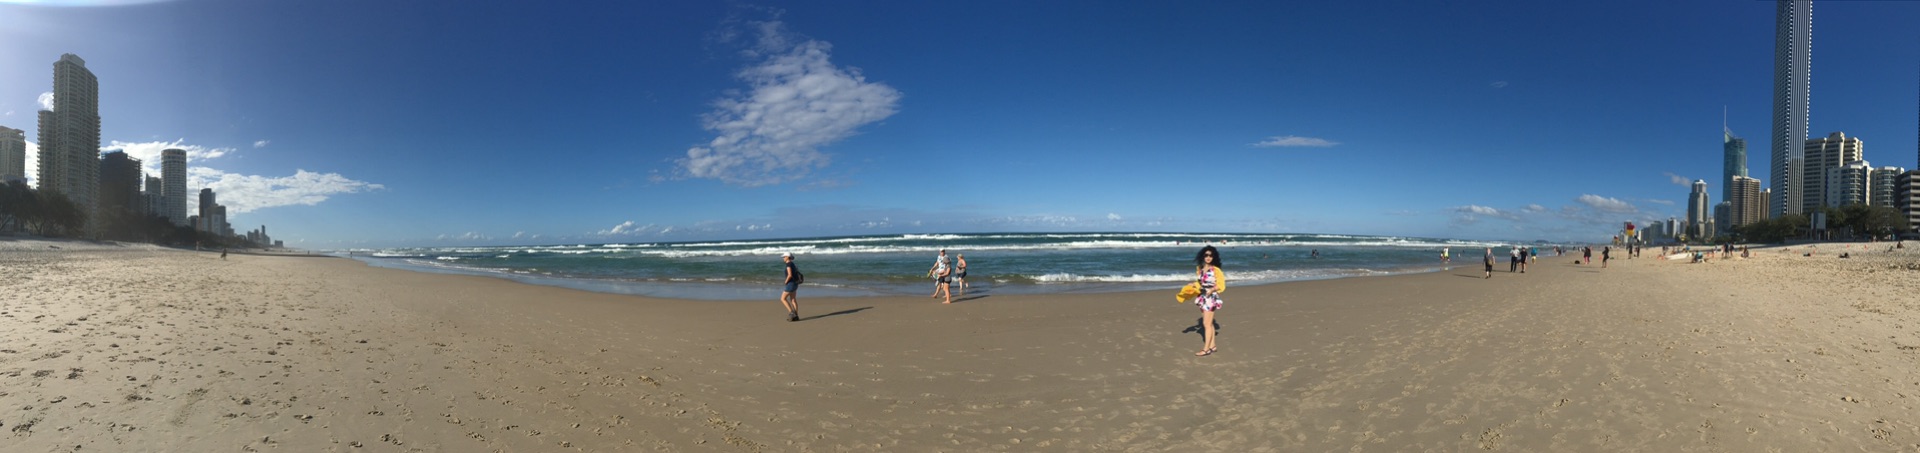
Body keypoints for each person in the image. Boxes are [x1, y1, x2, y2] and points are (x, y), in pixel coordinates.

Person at [1192, 246, 1225, 356]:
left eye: (1211, 255)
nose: (1208, 257)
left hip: (1211, 298)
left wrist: (1212, 290)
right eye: (1206, 255)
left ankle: (1206, 349)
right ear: (1203, 256)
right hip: (1202, 297)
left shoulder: (1216, 270)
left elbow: (1221, 285)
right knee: (1209, 323)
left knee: (1206, 324)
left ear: (1214, 257)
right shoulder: (1199, 269)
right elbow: (1200, 283)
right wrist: (1193, 284)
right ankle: (1213, 346)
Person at [780, 253, 802, 322]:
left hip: (790, 284)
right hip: (795, 283)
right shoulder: (793, 264)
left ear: (787, 257)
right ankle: (796, 316)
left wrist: (786, 281)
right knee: (793, 300)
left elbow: (789, 275)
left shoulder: (788, 264)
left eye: (784, 257)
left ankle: (791, 313)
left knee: (783, 299)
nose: (783, 258)